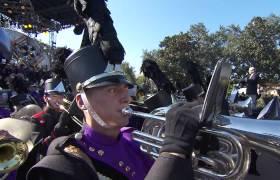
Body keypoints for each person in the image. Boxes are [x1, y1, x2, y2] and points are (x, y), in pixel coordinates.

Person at [25, 45, 201, 180]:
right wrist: (173, 151)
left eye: (125, 89)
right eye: (111, 90)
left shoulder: (133, 137)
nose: (126, 98)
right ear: (80, 101)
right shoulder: (65, 162)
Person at [31, 78, 65, 144]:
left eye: (61, 96)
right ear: (45, 98)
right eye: (54, 96)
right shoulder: (37, 119)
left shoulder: (66, 114)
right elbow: (38, 148)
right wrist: (56, 133)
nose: (58, 100)